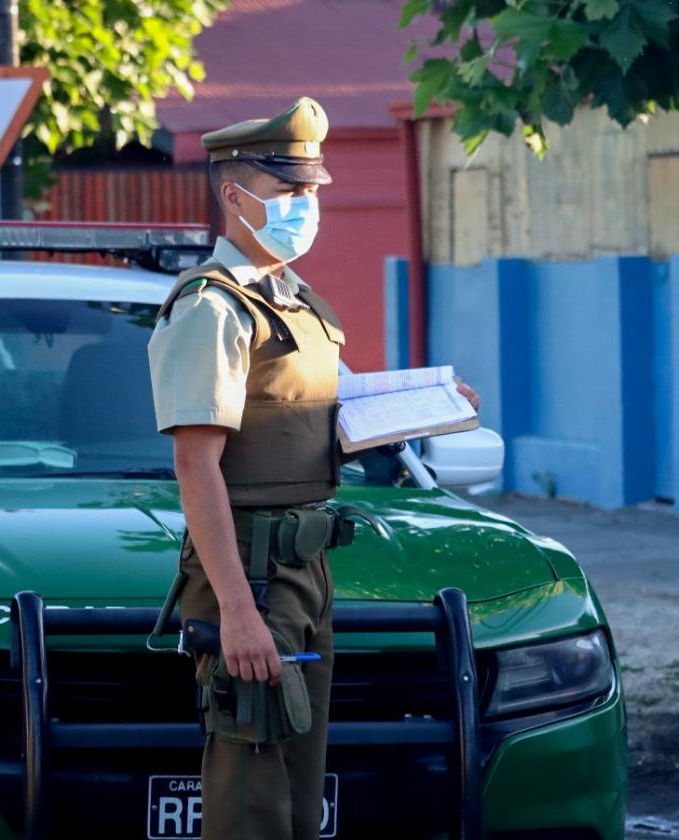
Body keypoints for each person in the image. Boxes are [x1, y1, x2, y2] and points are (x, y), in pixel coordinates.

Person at [146, 96, 477, 840]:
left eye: (312, 191)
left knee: (298, 789)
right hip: (253, 572)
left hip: (304, 569)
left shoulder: (294, 301)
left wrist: (425, 405)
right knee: (252, 791)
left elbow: (308, 422)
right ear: (235, 197)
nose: (307, 205)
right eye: (288, 191)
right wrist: (236, 608)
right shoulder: (213, 308)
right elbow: (196, 466)